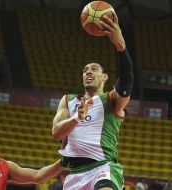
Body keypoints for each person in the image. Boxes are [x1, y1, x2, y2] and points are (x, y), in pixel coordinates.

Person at [52, 13, 134, 190]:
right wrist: (76, 119)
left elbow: (126, 82)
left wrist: (120, 46)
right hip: (75, 173)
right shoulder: (68, 100)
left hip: (103, 168)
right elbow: (56, 134)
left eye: (94, 69)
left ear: (104, 77)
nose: (88, 72)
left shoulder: (111, 100)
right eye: (85, 70)